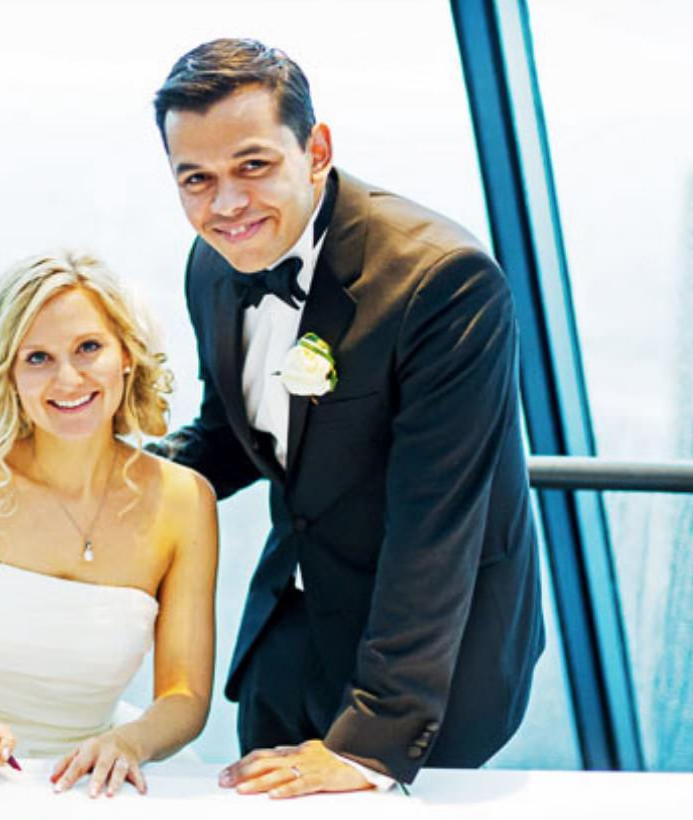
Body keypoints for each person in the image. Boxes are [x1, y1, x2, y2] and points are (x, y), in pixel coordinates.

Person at [149, 38, 544, 797]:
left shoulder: (446, 282)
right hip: (288, 637)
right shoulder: (215, 263)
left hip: (430, 669)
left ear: (317, 149)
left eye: (252, 166)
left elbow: (436, 525)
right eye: (196, 179)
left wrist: (371, 743)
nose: (225, 204)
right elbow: (234, 434)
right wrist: (102, 475)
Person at [0, 250, 217, 798]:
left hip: (96, 780)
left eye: (89, 348)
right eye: (37, 358)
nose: (68, 378)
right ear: (7, 371)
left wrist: (129, 743)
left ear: (127, 355)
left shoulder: (185, 501)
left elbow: (185, 694)